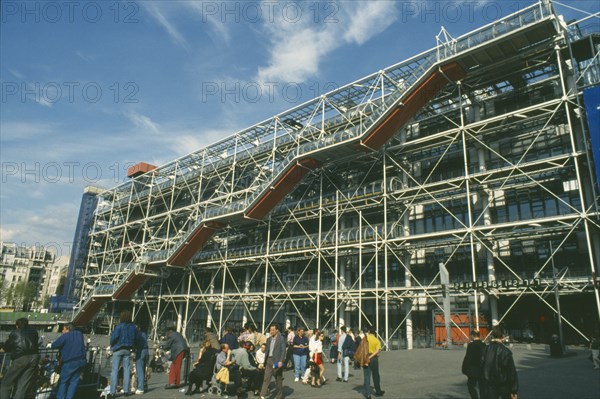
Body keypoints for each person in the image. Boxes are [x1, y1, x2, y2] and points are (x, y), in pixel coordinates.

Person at [0, 317, 40, 399]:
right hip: (34, 357)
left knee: (6, 384)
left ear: (17, 325)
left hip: (21, 358)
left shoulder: (15, 333)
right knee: (23, 385)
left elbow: (6, 347)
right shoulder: (34, 332)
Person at [481, 325, 519, 399]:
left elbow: (481, 366)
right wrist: (514, 390)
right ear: (502, 335)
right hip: (503, 385)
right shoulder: (506, 352)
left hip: (489, 385)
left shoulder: (485, 350)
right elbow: (511, 372)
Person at [51, 323, 87, 399]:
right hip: (81, 361)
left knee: (63, 382)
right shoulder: (79, 334)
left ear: (67, 329)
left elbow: (54, 345)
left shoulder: (65, 336)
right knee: (74, 382)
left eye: (63, 329)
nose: (62, 330)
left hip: (70, 361)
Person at [109, 311, 138, 398]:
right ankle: (126, 390)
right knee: (127, 370)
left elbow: (114, 337)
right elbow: (135, 338)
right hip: (128, 350)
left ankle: (112, 392)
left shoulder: (119, 326)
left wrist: (112, 344)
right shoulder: (133, 327)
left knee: (114, 370)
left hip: (118, 349)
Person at [259, 323, 286, 399]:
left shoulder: (281, 339)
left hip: (277, 361)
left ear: (277, 330)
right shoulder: (268, 339)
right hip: (269, 361)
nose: (271, 331)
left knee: (278, 379)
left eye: (273, 330)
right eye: (270, 330)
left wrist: (281, 361)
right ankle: (262, 396)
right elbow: (267, 351)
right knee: (266, 378)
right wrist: (264, 362)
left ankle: (279, 396)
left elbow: (283, 351)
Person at [462, 330, 486, 399]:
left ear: (472, 335)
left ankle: (475, 397)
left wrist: (464, 369)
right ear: (479, 335)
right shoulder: (484, 345)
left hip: (473, 370)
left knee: (471, 385)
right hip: (482, 370)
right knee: (482, 387)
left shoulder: (471, 345)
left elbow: (468, 358)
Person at [363, 327, 385, 398]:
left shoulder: (365, 338)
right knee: (376, 375)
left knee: (367, 376)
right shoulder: (377, 340)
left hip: (365, 357)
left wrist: (367, 357)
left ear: (369, 331)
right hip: (374, 359)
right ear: (374, 332)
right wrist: (371, 356)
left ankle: (368, 394)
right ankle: (378, 391)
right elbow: (378, 351)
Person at [134, 327, 149, 394]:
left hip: (140, 352)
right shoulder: (144, 334)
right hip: (146, 351)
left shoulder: (138, 334)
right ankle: (143, 385)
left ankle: (140, 388)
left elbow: (136, 343)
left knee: (139, 371)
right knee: (143, 370)